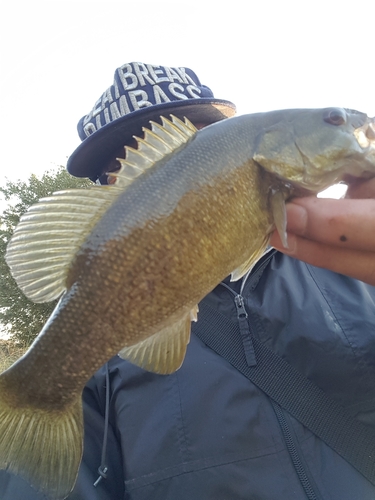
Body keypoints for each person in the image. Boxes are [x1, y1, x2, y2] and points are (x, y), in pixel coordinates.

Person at [1, 61, 375, 500]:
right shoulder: (91, 378)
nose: (166, 180)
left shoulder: (360, 279)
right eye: (128, 164)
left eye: (192, 144)